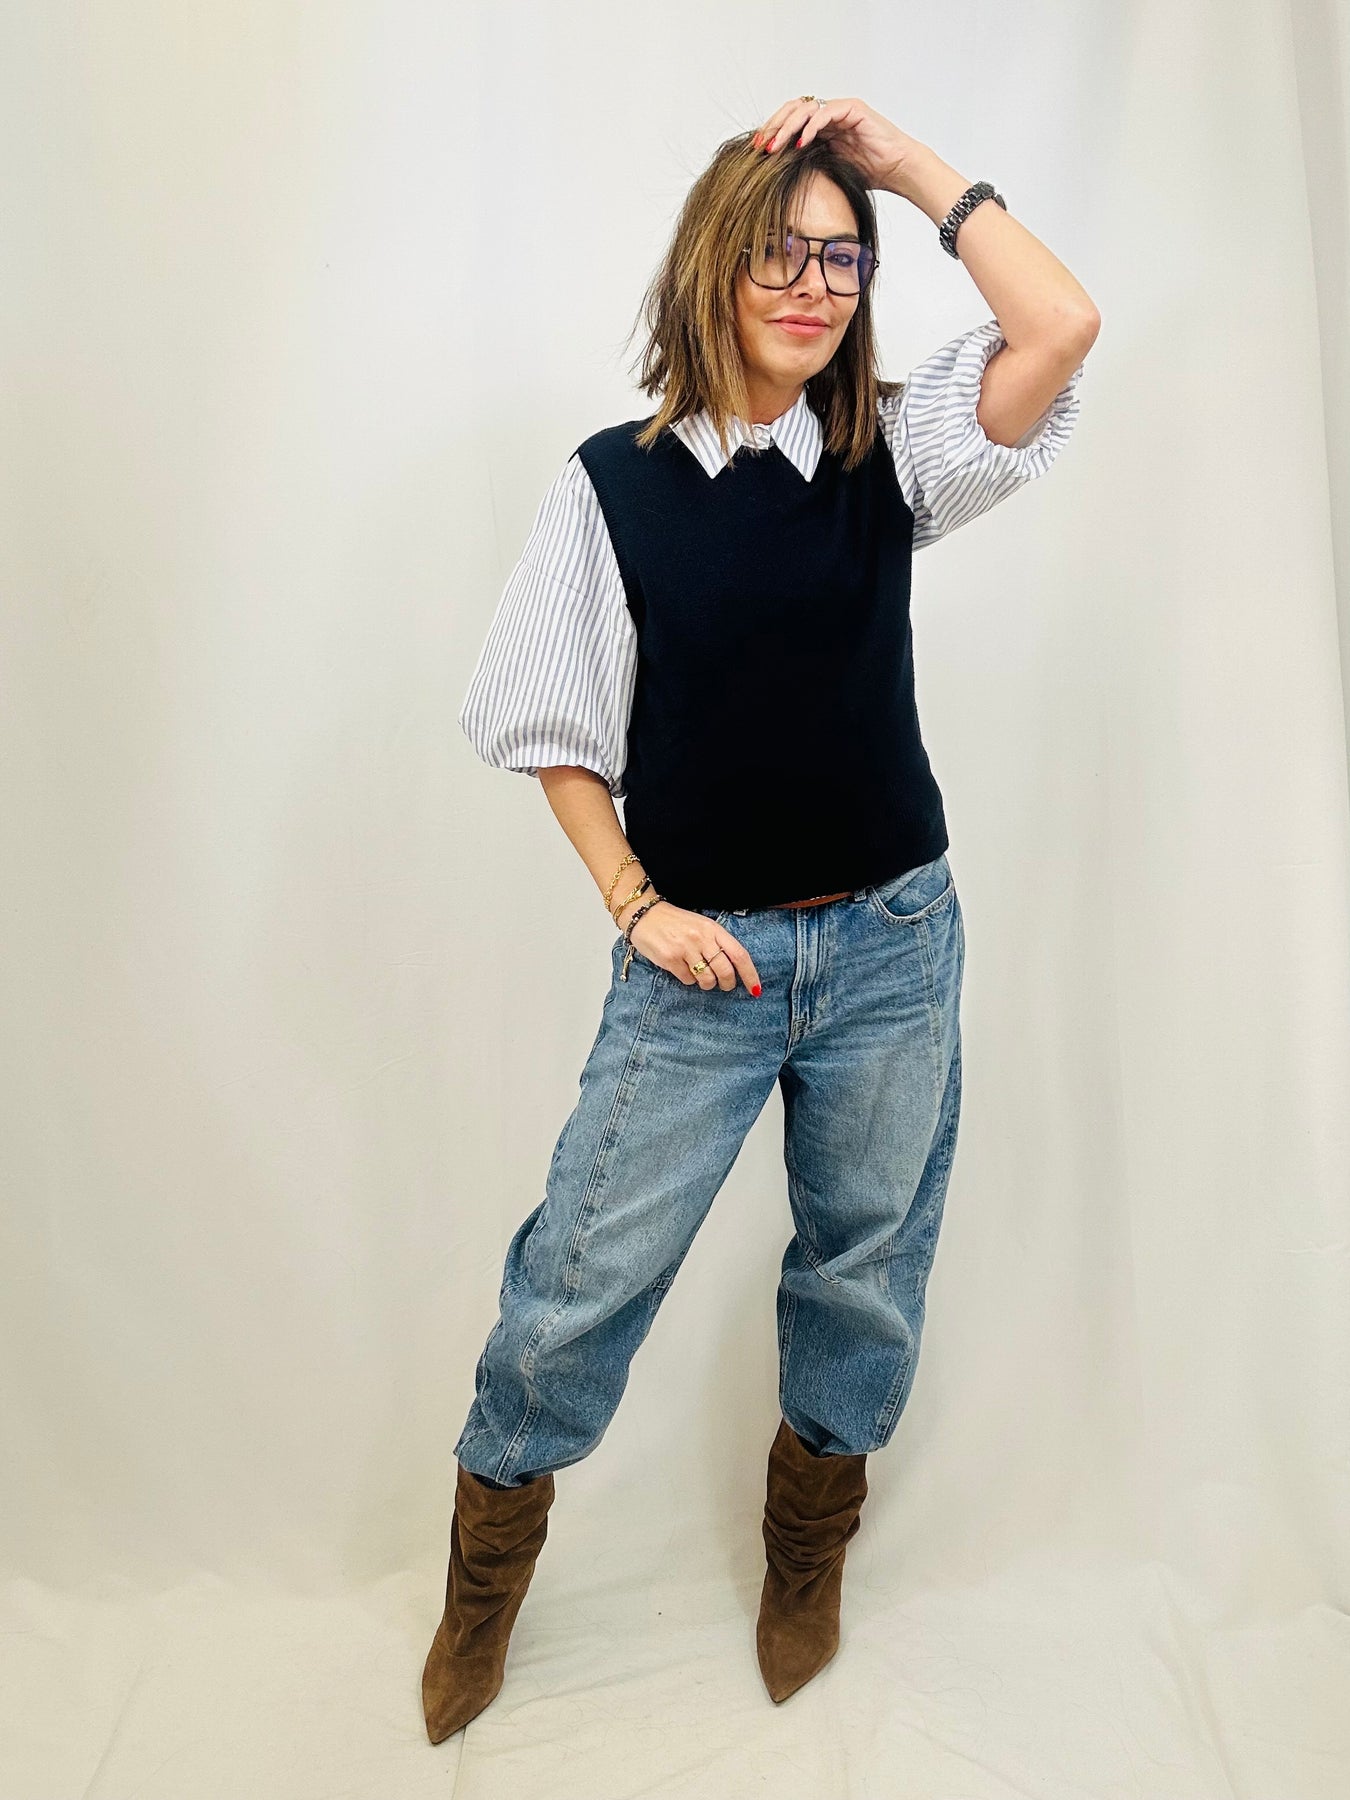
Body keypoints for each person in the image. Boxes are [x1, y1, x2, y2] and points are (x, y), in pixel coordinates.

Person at [422, 94, 1100, 1742]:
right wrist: (635, 902)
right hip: (700, 972)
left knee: (862, 1271)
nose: (812, 287)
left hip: (892, 948)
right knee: (579, 1277)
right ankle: (483, 1586)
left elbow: (1059, 324)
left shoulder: (889, 458)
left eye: (840, 260)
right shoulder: (617, 485)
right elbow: (554, 727)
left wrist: (903, 168)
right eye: (779, 255)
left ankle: (808, 1557)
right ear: (710, 270)